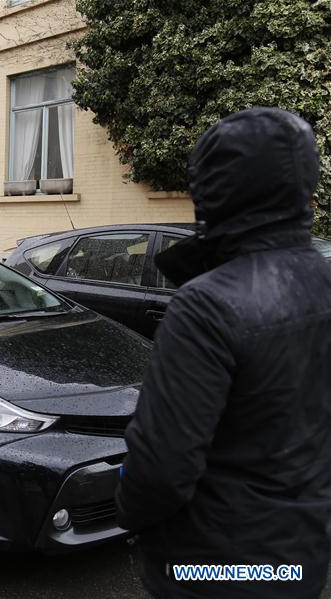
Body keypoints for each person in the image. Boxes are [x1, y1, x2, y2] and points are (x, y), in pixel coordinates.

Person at [116, 108, 331, 598]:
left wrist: (129, 512)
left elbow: (160, 470)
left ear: (214, 191)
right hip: (300, 559)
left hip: (212, 570)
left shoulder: (206, 306)